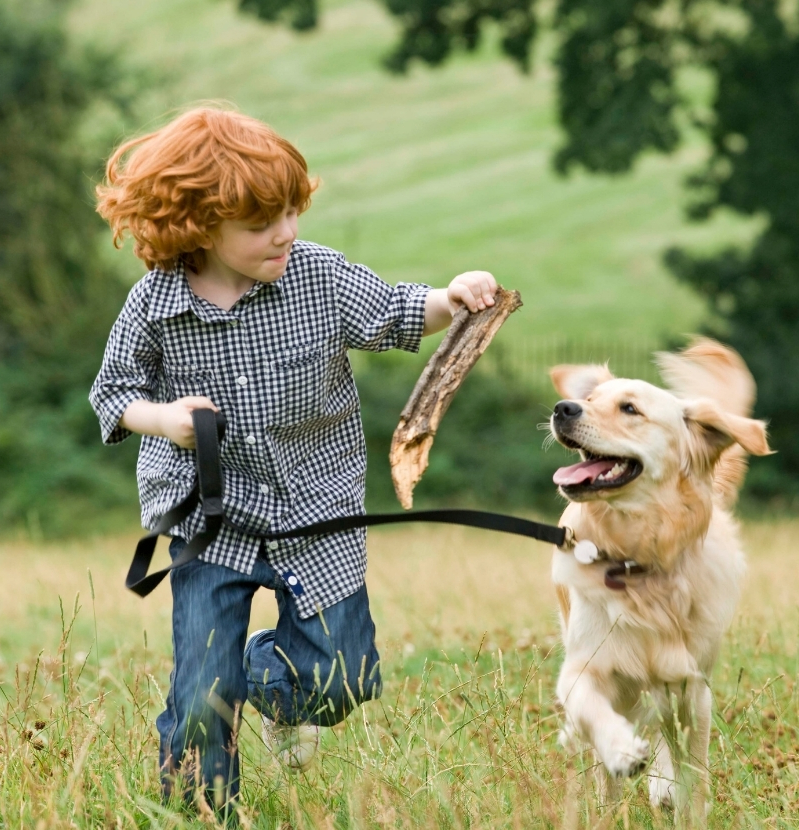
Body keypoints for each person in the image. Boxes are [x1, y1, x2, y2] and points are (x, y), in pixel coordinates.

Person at [90, 105, 497, 815]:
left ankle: (272, 685)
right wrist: (164, 419)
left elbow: (398, 311)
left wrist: (450, 299)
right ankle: (197, 811)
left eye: (290, 211)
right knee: (199, 696)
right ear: (196, 226)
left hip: (318, 511)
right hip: (211, 524)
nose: (286, 232)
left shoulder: (316, 277)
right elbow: (112, 394)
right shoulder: (153, 305)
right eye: (260, 224)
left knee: (343, 677)